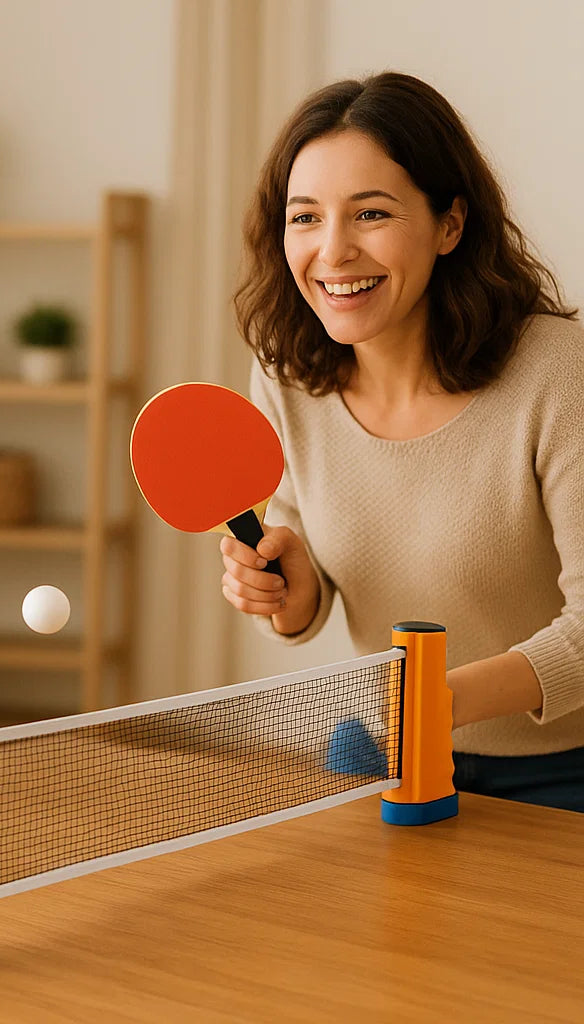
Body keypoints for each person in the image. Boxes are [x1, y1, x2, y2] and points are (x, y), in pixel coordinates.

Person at [223, 71, 584, 813]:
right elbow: (308, 597)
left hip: (562, 771)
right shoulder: (286, 377)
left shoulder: (558, 374)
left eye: (372, 214)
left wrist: (437, 699)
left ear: (450, 224)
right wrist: (288, 591)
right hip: (391, 751)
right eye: (305, 217)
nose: (333, 250)